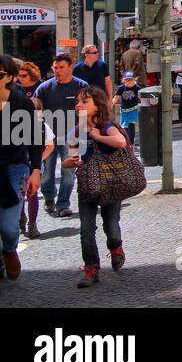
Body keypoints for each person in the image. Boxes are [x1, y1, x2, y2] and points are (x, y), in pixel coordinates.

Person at [0, 55, 43, 299]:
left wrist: (36, 170)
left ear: (9, 78)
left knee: (9, 228)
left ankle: (9, 250)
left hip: (14, 166)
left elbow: (34, 137)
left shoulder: (20, 101)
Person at [66, 87, 129, 289]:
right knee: (86, 229)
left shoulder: (106, 126)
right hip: (87, 184)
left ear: (97, 105)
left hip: (111, 183)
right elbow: (69, 158)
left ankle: (115, 246)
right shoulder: (76, 130)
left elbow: (120, 142)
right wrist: (70, 162)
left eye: (84, 102)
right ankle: (91, 268)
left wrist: (98, 136)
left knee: (111, 225)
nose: (78, 105)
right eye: (77, 102)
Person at [34, 54, 89, 218]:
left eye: (61, 67)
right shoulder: (44, 88)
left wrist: (84, 131)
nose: (57, 70)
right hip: (49, 137)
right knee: (47, 172)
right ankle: (49, 198)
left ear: (70, 67)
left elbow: (87, 110)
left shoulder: (81, 86)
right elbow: (36, 110)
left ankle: (63, 204)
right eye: (55, 68)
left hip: (73, 137)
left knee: (68, 173)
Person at [14, 61, 50, 239]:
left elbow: (49, 144)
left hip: (34, 163)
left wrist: (38, 162)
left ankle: (32, 224)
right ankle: (21, 219)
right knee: (20, 194)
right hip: (20, 162)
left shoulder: (41, 125)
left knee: (32, 194)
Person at [114, 74, 141, 149]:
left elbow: (141, 98)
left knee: (131, 126)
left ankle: (131, 144)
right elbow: (116, 98)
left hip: (133, 109)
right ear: (124, 80)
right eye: (127, 80)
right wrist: (108, 105)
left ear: (134, 80)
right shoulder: (121, 88)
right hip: (124, 111)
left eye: (130, 79)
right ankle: (127, 143)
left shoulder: (137, 88)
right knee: (124, 127)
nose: (128, 81)